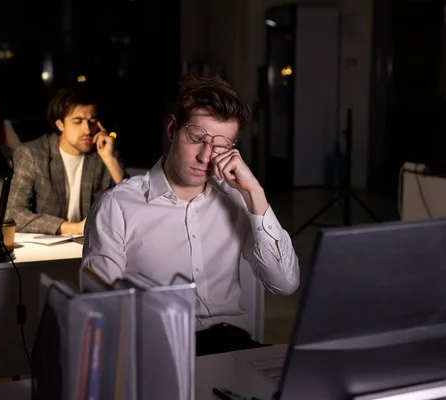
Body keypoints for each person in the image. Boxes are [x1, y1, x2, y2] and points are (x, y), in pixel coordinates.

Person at [81, 76, 300, 356]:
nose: (205, 156)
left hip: (232, 347)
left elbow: (284, 284)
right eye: (196, 139)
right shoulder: (118, 205)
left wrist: (255, 192)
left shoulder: (238, 197)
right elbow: (100, 306)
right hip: (157, 350)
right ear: (173, 129)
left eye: (220, 146)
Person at [6, 84, 125, 235]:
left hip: (89, 247)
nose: (88, 129)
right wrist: (74, 228)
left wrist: (110, 159)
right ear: (60, 124)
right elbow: (13, 214)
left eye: (92, 120)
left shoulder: (103, 153)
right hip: (44, 247)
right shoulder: (32, 154)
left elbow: (132, 206)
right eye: (78, 121)